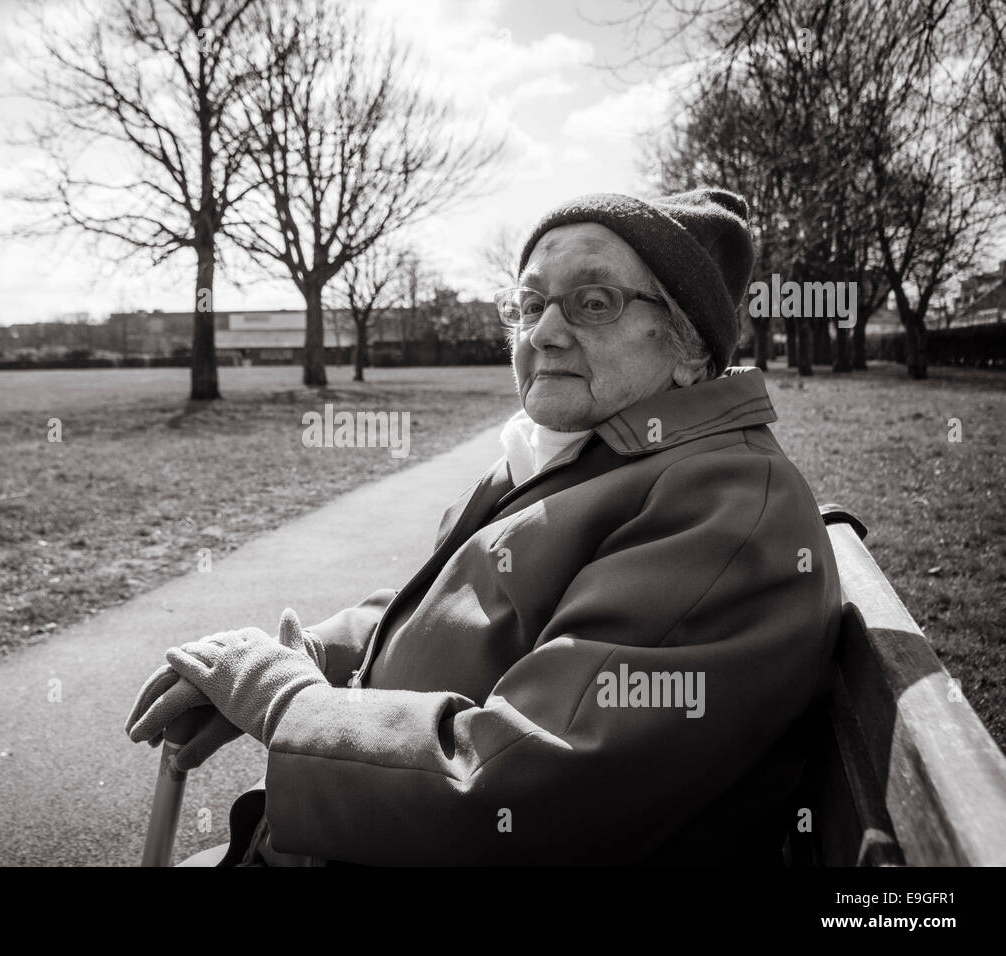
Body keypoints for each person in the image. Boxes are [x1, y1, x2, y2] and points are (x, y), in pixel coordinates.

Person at [126, 188, 842, 866]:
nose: (546, 332)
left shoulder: (724, 505)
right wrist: (311, 650)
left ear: (689, 346)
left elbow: (525, 780)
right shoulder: (577, 451)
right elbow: (446, 600)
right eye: (530, 303)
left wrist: (286, 704)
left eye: (593, 303)